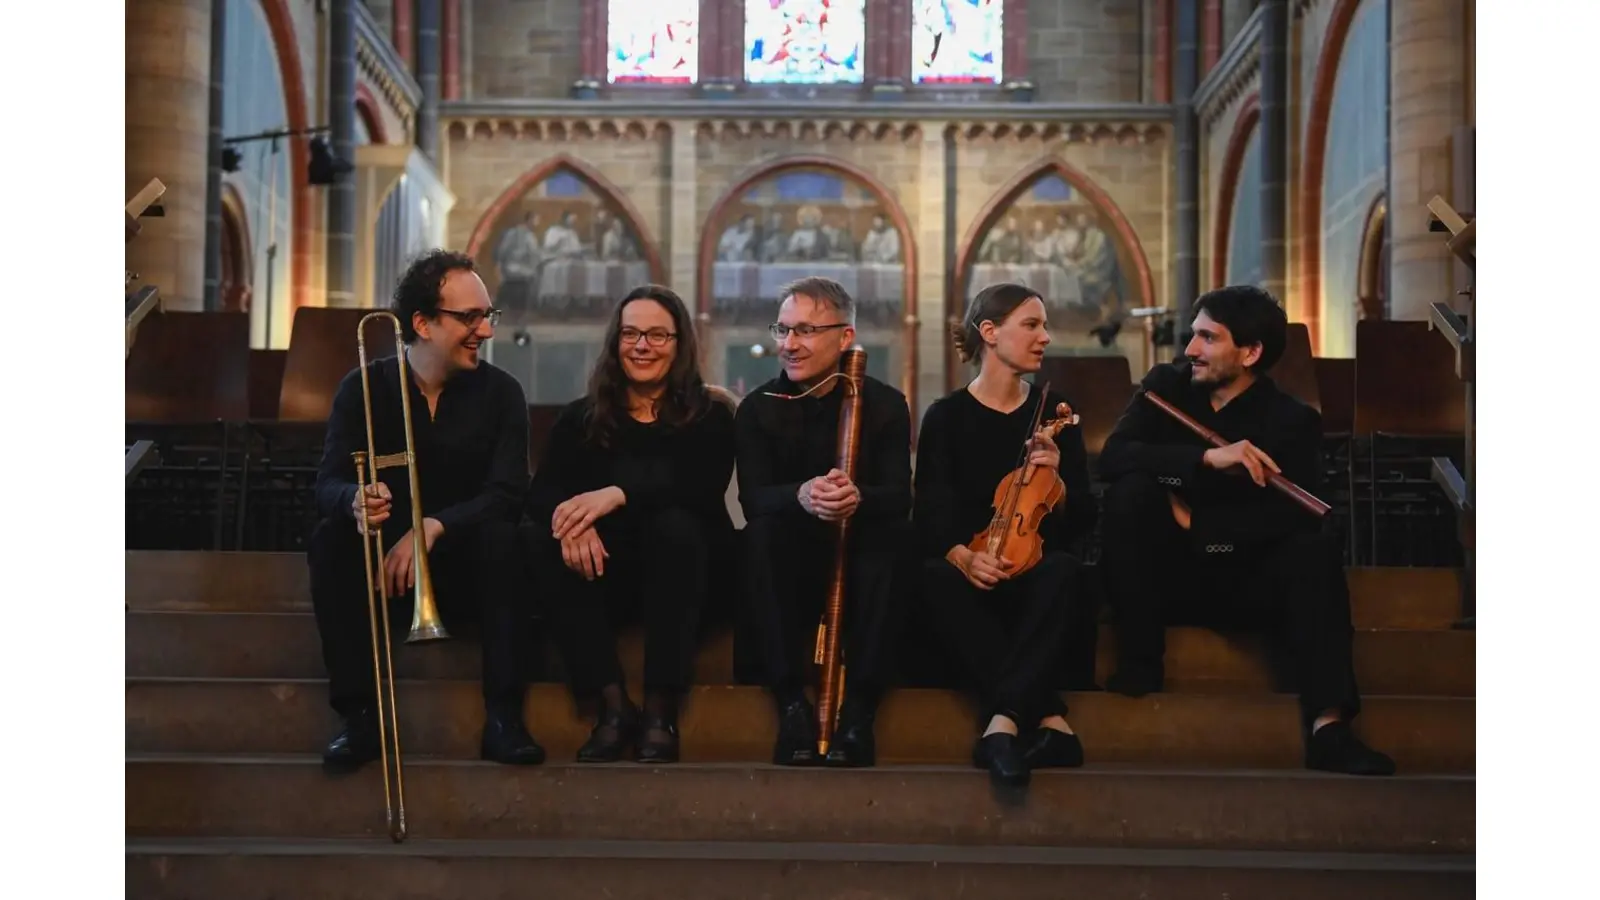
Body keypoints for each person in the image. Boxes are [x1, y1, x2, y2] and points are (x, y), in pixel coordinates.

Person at [1097, 284, 1396, 776]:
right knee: (1132, 493)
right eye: (1194, 335)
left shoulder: (1293, 421)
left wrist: (1199, 522)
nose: (1190, 349)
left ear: (1251, 352)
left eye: (1208, 338)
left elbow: (1289, 518)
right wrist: (1204, 459)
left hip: (1242, 577)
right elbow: (1114, 458)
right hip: (1164, 581)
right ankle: (1139, 662)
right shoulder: (1165, 386)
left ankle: (1330, 726)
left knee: (1314, 550)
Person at [308, 249, 545, 772]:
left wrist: (433, 526)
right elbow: (326, 483)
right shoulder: (363, 386)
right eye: (470, 318)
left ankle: (504, 717)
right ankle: (359, 717)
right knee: (330, 539)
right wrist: (354, 502)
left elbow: (509, 493)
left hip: (468, 569)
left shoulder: (502, 393)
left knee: (510, 538)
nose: (485, 330)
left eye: (488, 316)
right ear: (422, 322)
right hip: (387, 578)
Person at [526, 284, 735, 764]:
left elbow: (699, 489)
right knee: (540, 539)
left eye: (658, 335)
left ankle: (661, 710)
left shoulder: (708, 417)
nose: (642, 346)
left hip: (689, 579)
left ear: (680, 344)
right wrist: (573, 526)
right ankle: (612, 706)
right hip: (608, 581)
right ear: (615, 342)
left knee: (676, 527)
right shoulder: (581, 418)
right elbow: (542, 496)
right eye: (631, 334)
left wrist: (614, 495)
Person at [913, 283, 1098, 789]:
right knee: (932, 576)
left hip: (1038, 586)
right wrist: (963, 558)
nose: (1046, 337)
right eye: (1032, 325)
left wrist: (1057, 481)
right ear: (989, 334)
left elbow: (1083, 518)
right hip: (972, 584)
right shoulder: (946, 417)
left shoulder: (1057, 414)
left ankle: (1001, 723)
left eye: (1044, 326)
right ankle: (1051, 721)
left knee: (1064, 571)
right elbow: (929, 515)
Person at [734, 276, 913, 768]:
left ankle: (858, 713)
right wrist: (802, 494)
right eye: (783, 330)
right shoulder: (757, 408)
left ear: (845, 337)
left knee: (894, 542)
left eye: (806, 331)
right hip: (790, 554)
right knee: (760, 536)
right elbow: (753, 499)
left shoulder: (885, 403)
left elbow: (899, 497)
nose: (789, 344)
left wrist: (857, 497)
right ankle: (792, 705)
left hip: (861, 554)